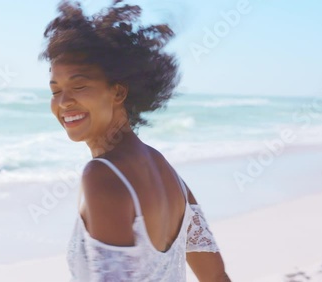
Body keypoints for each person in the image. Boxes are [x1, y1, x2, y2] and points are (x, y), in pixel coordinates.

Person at [40, 0, 231, 281]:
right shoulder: (168, 174)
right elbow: (216, 278)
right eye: (55, 90)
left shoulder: (102, 175)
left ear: (118, 92)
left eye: (79, 86)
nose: (64, 102)